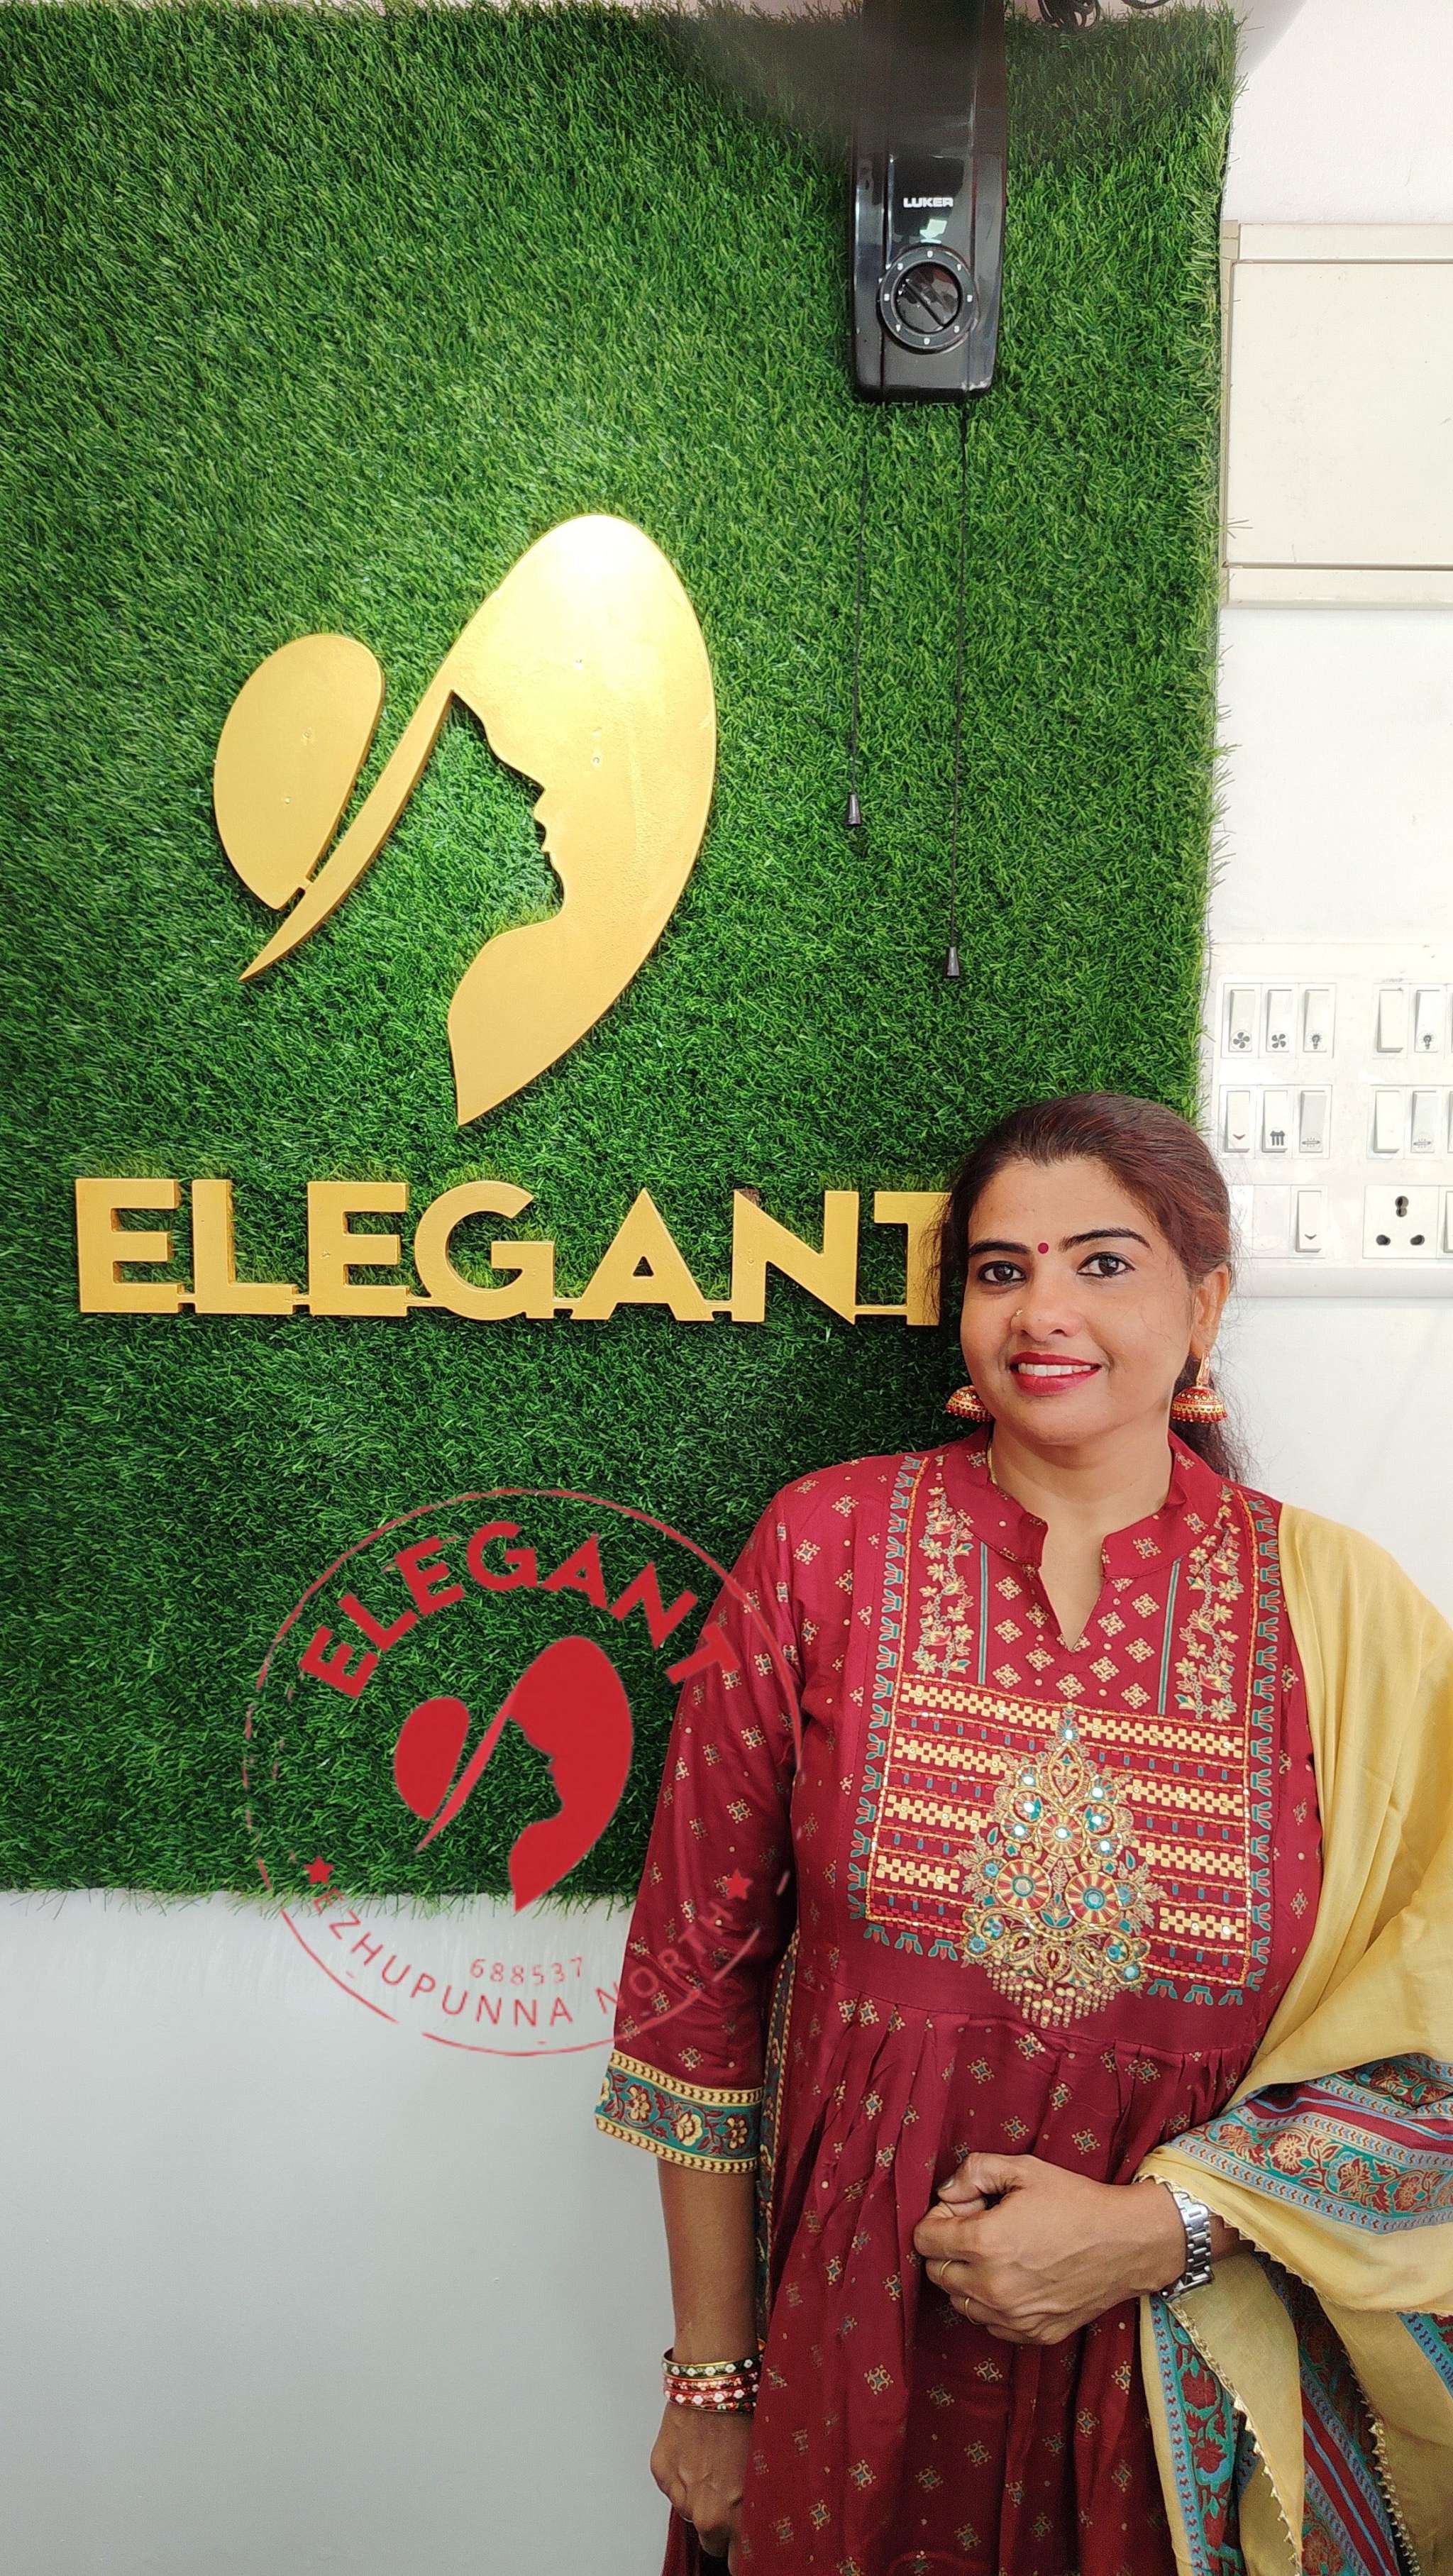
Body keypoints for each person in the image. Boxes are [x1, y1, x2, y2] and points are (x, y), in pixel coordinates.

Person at [592, 1090, 1453, 2576]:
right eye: (1000, 1270)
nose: (1043, 1309)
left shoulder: (1343, 1615)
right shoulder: (823, 1550)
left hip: (1190, 2376)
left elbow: (1430, 2024)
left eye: (1101, 1263)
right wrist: (712, 2383)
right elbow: (693, 2003)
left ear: (1207, 1302)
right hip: (849, 2363)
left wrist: (1167, 2225)